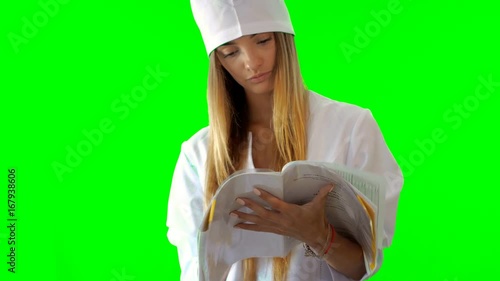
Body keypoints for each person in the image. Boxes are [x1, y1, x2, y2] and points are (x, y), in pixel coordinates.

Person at [166, 0, 404, 280]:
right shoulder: (198, 154)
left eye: (263, 41)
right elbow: (195, 269)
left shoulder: (351, 128)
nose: (252, 63)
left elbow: (363, 265)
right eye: (231, 52)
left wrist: (319, 236)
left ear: (285, 41)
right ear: (219, 61)